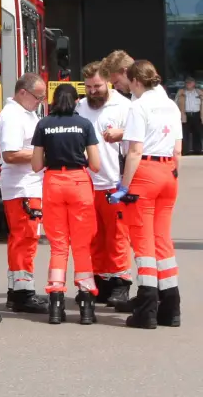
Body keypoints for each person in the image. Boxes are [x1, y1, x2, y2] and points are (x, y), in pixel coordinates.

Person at [116, 59, 184, 328]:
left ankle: (146, 310)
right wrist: (173, 175)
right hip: (168, 172)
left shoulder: (139, 106)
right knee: (162, 240)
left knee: (143, 242)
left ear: (135, 81)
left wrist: (124, 186)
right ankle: (171, 307)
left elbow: (134, 151)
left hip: (145, 173)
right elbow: (178, 150)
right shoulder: (170, 104)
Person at [32, 82, 103, 324]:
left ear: (53, 100)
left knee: (58, 246)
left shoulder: (43, 124)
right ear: (76, 101)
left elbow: (36, 165)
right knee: (82, 245)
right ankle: (86, 307)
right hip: (78, 183)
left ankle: (55, 304)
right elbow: (96, 165)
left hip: (53, 183)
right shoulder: (84, 124)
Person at [76, 60, 133, 307]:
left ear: (108, 81)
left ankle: (121, 282)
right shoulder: (80, 107)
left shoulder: (124, 106)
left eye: (97, 86)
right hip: (87, 183)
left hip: (114, 181)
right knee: (93, 236)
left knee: (118, 235)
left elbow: (135, 146)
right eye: (88, 87)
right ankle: (99, 280)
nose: (92, 91)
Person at [0, 73, 48, 314]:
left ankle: (17, 290)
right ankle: (23, 294)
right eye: (38, 97)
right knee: (25, 239)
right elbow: (11, 154)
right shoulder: (13, 116)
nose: (40, 102)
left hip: (27, 186)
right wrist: (45, 153)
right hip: (22, 188)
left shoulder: (25, 113)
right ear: (23, 92)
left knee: (24, 239)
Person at [182, 77, 203, 156]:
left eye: (190, 82)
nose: (188, 84)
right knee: (185, 133)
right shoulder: (182, 93)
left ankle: (197, 150)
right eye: (187, 82)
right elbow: (177, 102)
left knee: (197, 132)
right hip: (185, 114)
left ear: (194, 83)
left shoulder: (199, 92)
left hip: (196, 114)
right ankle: (185, 150)